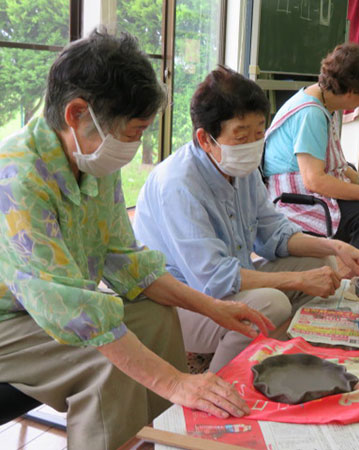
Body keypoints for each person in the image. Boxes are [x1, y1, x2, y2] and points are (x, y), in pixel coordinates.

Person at [0, 30, 275, 449]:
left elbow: (128, 262)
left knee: (156, 314)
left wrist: (213, 308)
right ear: (77, 113)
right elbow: (72, 309)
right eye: (134, 132)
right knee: (106, 362)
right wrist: (178, 382)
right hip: (11, 320)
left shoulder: (91, 162)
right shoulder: (16, 179)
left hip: (44, 310)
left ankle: (157, 438)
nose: (137, 145)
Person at [133, 66, 359, 372]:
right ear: (205, 138)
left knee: (319, 264)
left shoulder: (242, 170)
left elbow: (275, 233)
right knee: (272, 302)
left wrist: (337, 248)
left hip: (223, 284)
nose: (253, 144)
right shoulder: (178, 184)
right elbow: (215, 280)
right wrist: (296, 280)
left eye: (259, 132)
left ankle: (274, 354)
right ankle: (217, 384)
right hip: (180, 305)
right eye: (241, 136)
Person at [263, 43, 359, 254]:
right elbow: (314, 180)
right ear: (351, 91)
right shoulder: (310, 113)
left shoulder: (325, 104)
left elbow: (333, 163)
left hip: (313, 190)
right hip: (296, 199)